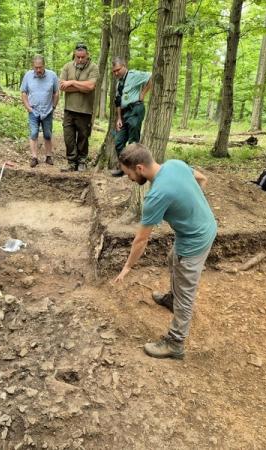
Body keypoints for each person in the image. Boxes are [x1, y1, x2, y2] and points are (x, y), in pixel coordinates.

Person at [113, 143, 217, 360]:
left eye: (129, 174)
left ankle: (175, 343)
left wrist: (127, 267)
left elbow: (141, 240)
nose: (130, 179)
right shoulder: (174, 165)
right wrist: (190, 208)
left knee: (185, 292)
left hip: (194, 240)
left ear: (139, 168)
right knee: (173, 260)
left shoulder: (156, 195)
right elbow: (202, 179)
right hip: (204, 226)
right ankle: (172, 298)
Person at [59, 43, 99, 172]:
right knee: (68, 137)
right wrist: (81, 86)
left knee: (83, 137)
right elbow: (62, 87)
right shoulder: (67, 66)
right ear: (74, 55)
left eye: (83, 57)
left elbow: (90, 87)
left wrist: (71, 82)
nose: (80, 60)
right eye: (78, 57)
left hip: (85, 110)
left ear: (87, 55)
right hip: (69, 109)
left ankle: (82, 161)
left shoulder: (93, 68)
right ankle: (71, 163)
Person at [109, 57, 152, 177]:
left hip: (135, 109)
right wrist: (118, 118)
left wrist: (143, 93)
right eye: (114, 71)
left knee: (133, 142)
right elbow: (118, 101)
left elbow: (152, 76)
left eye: (118, 70)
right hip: (124, 113)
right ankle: (124, 168)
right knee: (118, 142)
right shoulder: (119, 82)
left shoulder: (134, 75)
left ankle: (135, 170)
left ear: (124, 66)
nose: (116, 73)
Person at [20, 55, 60, 168]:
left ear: (44, 65)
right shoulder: (28, 75)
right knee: (33, 133)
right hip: (33, 111)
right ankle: (34, 157)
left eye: (40, 67)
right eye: (36, 67)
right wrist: (28, 108)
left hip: (47, 111)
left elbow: (56, 93)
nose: (38, 70)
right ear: (33, 66)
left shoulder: (52, 75)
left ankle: (48, 156)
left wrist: (53, 106)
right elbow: (23, 93)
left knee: (47, 134)